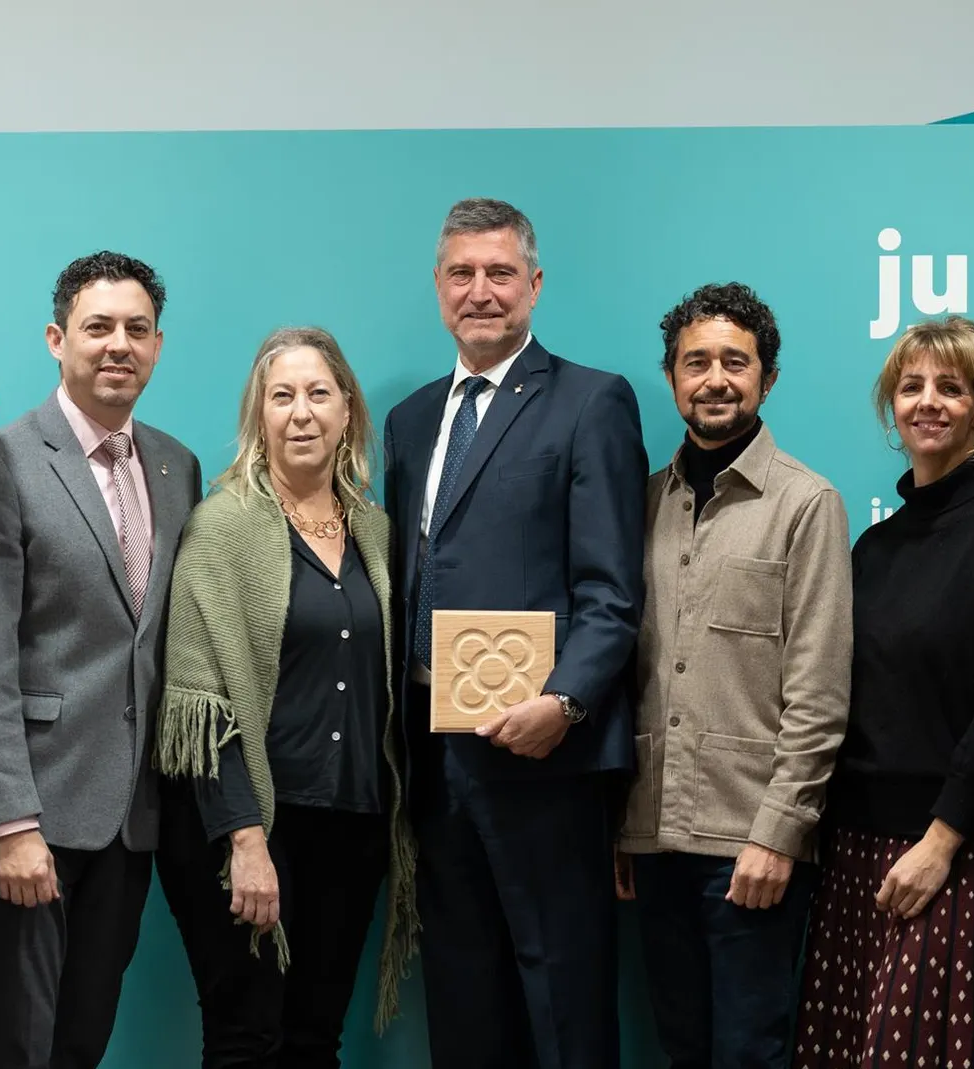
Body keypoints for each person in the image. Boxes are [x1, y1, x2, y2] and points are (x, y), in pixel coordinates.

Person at [381, 197, 647, 1068]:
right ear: (437, 286)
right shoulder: (411, 420)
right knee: (463, 1002)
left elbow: (612, 591)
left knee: (562, 999)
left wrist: (565, 702)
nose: (481, 291)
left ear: (534, 284)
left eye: (500, 273)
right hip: (435, 760)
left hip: (545, 762)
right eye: (463, 273)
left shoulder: (591, 401)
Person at [0, 251, 204, 1069]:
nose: (117, 344)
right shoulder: (0, 462)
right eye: (98, 327)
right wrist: (11, 824)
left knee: (82, 1041)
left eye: (137, 328)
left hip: (131, 817)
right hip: (35, 816)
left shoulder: (177, 465)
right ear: (58, 339)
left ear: (159, 345)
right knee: (19, 1046)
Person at [154, 327, 418, 1068]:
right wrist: (246, 841)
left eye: (319, 393)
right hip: (248, 823)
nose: (301, 412)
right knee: (248, 1038)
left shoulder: (377, 532)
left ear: (348, 414)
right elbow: (198, 707)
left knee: (314, 1040)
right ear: (258, 415)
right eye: (282, 395)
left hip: (352, 823)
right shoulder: (221, 528)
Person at [615, 282, 851, 1069]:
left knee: (748, 1052)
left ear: (767, 378)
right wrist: (624, 823)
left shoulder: (806, 503)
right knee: (679, 1048)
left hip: (749, 845)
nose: (715, 378)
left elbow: (818, 694)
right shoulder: (642, 503)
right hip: (652, 838)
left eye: (735, 362)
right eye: (696, 362)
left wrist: (779, 834)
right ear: (672, 376)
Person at [794, 316, 974, 1068]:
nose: (928, 402)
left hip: (957, 850)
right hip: (857, 851)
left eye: (950, 387)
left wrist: (940, 841)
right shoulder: (874, 547)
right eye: (911, 386)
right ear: (891, 408)